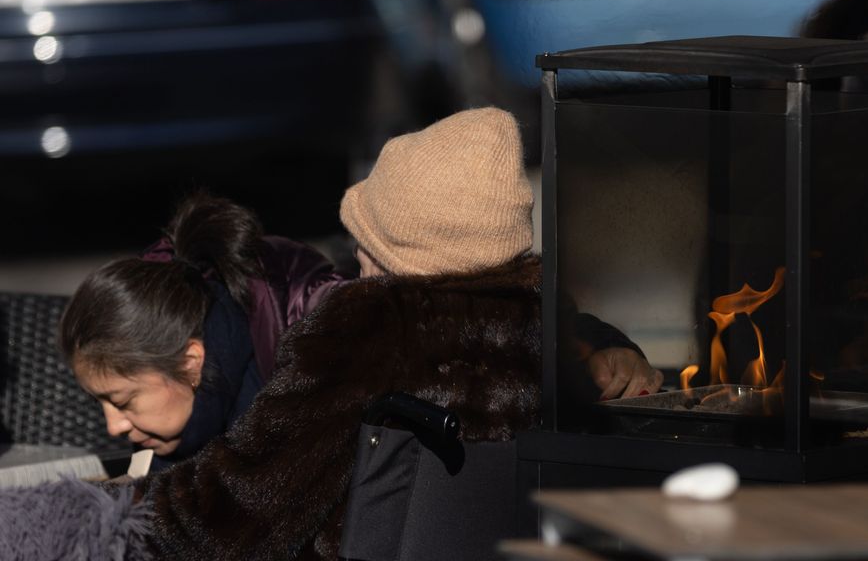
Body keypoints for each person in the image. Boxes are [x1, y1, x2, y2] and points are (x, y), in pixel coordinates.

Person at [129, 107, 661, 560]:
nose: (354, 255)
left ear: (401, 252)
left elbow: (239, 511)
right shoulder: (544, 335)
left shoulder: (371, 333)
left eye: (366, 240)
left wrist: (115, 509)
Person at [59, 192, 345, 471]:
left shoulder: (311, 361)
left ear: (191, 363)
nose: (113, 427)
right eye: (101, 403)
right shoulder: (179, 435)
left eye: (123, 401)